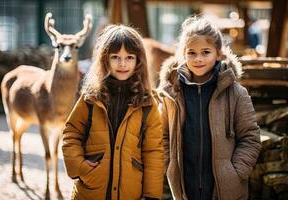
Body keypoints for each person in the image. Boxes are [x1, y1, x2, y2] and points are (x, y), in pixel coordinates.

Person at [158, 15, 261, 200]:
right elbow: (161, 134)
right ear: (183, 54)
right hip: (184, 190)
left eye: (205, 52)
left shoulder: (236, 93)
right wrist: (170, 165)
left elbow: (250, 138)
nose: (198, 59)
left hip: (226, 191)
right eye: (191, 53)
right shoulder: (171, 94)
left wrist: (235, 173)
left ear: (218, 54)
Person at [62, 24, 165, 200]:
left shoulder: (147, 103)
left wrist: (151, 196)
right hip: (90, 191)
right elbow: (71, 134)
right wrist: (80, 167)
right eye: (115, 57)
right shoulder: (91, 97)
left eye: (129, 57)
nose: (122, 63)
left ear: (139, 60)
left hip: (130, 193)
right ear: (104, 59)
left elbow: (153, 153)